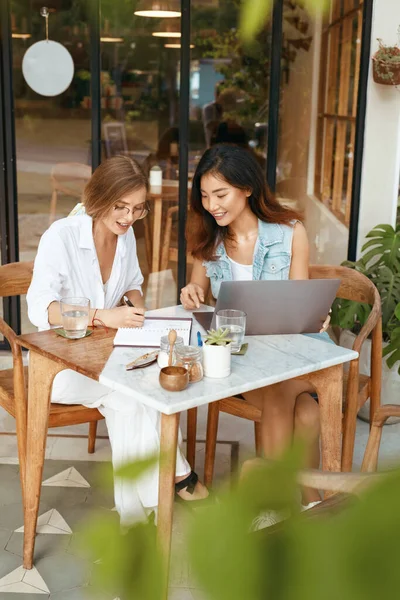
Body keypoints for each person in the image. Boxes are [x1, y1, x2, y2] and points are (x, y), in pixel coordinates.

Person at [27, 155, 208, 526]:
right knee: (132, 394)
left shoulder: (124, 239)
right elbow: (40, 309)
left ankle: (134, 518)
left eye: (137, 209)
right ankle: (176, 479)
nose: (128, 218)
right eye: (120, 207)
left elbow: (132, 286)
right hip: (58, 364)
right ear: (99, 198)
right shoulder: (60, 236)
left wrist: (138, 312)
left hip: (104, 355)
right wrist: (100, 316)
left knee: (134, 397)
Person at [180, 144, 332, 527]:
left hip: (295, 354)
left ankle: (278, 500)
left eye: (220, 194)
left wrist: (316, 316)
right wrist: (189, 293)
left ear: (246, 188)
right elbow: (194, 293)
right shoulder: (207, 240)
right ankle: (310, 504)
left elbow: (300, 305)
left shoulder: (290, 233)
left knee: (283, 390)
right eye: (205, 195)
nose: (212, 205)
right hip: (242, 359)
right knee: (307, 411)